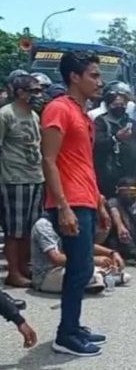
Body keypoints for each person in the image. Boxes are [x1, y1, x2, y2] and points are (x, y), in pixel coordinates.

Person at [41, 51, 111, 356]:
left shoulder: (82, 113)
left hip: (85, 198)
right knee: (80, 269)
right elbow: (48, 159)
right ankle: (66, 335)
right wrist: (64, 206)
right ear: (74, 77)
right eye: (94, 75)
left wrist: (99, 202)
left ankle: (74, 325)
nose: (100, 81)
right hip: (69, 201)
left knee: (82, 268)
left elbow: (84, 163)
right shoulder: (58, 109)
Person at [0, 74, 45, 287]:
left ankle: (25, 266)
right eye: (34, 91)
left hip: (35, 177)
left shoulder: (34, 115)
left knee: (30, 229)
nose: (39, 95)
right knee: (14, 230)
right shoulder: (5, 115)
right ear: (20, 93)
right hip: (14, 179)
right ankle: (13, 271)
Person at [31, 213, 130, 293]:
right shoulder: (44, 225)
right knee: (92, 274)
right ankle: (99, 279)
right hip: (47, 276)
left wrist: (112, 253)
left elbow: (85, 245)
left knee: (116, 271)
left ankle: (99, 279)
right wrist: (93, 260)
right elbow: (56, 259)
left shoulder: (71, 219)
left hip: (68, 268)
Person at [94, 84, 136, 198]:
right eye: (116, 104)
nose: (119, 107)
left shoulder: (132, 123)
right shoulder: (100, 122)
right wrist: (115, 138)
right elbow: (97, 144)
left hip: (133, 175)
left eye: (122, 104)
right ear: (109, 105)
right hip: (108, 176)